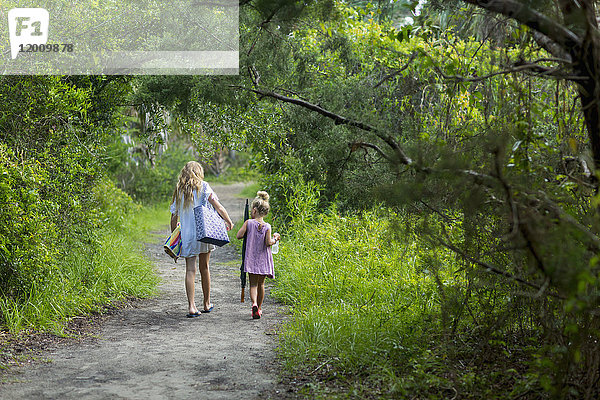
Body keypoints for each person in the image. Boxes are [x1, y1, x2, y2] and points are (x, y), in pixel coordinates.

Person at [170, 161, 233, 317]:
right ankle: (206, 303)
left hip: (187, 235)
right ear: (199, 172)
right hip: (204, 232)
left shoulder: (179, 190)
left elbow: (173, 216)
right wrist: (228, 220)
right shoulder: (204, 186)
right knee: (204, 267)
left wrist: (175, 236)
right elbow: (218, 206)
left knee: (190, 269)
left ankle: (191, 306)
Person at [236, 191, 280, 319]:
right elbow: (268, 243)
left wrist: (246, 230)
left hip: (251, 259)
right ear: (265, 212)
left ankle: (254, 303)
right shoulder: (267, 226)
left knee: (253, 284)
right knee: (261, 285)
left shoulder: (248, 223)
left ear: (254, 210)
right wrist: (275, 239)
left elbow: (239, 236)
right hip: (263, 260)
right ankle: (259, 308)